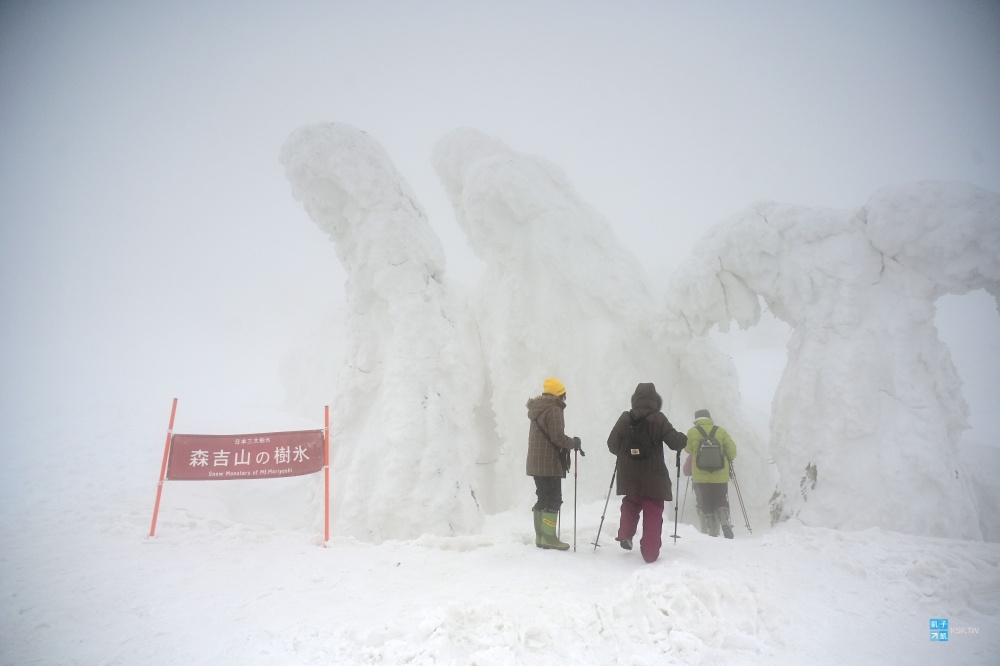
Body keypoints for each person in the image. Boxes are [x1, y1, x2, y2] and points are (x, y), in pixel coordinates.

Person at [607, 383, 687, 563]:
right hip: (653, 476)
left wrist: (627, 452)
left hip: (629, 474)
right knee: (653, 510)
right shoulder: (658, 419)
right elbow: (675, 443)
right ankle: (650, 553)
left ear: (634, 399)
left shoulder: (625, 418)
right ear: (655, 400)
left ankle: (625, 535)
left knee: (631, 503)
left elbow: (612, 444)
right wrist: (683, 439)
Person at [526, 377, 581, 551]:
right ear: (559, 395)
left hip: (535, 462)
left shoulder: (538, 409)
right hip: (549, 463)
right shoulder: (554, 410)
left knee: (543, 497)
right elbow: (557, 437)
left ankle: (541, 537)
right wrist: (574, 443)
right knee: (554, 499)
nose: (565, 400)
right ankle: (549, 538)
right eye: (564, 396)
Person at [685, 409, 738, 538]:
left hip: (700, 476)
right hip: (720, 475)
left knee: (705, 500)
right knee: (721, 498)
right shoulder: (720, 431)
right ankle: (725, 522)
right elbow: (732, 452)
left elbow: (688, 449)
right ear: (709, 418)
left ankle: (710, 529)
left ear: (696, 420)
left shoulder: (692, 432)